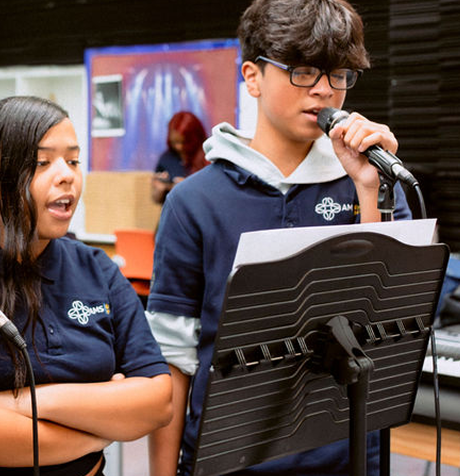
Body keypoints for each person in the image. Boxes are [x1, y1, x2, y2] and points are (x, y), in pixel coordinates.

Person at [146, 0, 412, 475]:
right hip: (225, 459)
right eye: (305, 71)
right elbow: (174, 359)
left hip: (349, 457)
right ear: (252, 76)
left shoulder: (371, 182)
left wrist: (370, 192)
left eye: (340, 75)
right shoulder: (194, 202)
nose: (326, 92)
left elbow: (391, 323)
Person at [0, 96, 172, 475]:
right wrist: (100, 429)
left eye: (72, 160)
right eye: (41, 162)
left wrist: (21, 405)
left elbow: (157, 402)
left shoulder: (96, 269)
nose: (66, 174)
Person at [151, 111, 208, 205]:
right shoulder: (167, 158)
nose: (179, 147)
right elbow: (156, 199)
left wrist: (187, 187)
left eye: (184, 142)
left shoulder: (208, 156)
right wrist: (159, 189)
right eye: (174, 142)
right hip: (173, 214)